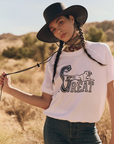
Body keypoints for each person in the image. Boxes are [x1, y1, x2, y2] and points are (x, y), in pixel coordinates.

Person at [0, 2, 114, 144]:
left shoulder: (101, 51)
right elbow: (45, 102)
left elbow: (111, 94)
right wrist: (9, 90)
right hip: (55, 131)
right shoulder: (54, 60)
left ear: (72, 19)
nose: (58, 30)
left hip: (87, 132)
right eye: (53, 28)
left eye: (61, 22)